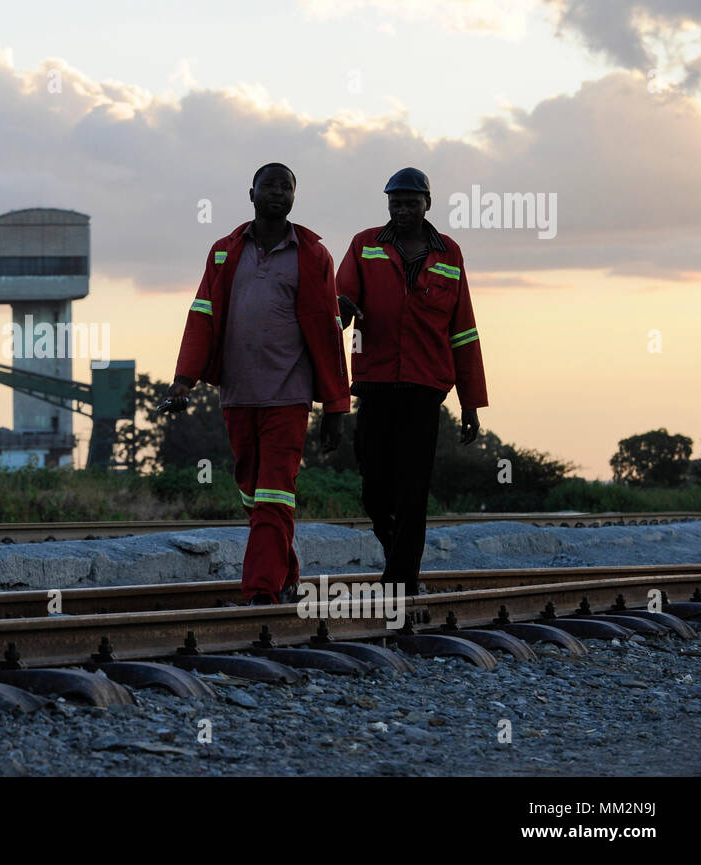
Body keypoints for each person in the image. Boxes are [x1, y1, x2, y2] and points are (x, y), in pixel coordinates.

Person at [167, 163, 350, 604]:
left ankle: (259, 593)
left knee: (273, 494)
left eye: (285, 187)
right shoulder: (224, 252)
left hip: (288, 396)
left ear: (294, 196)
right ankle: (285, 575)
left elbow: (328, 334)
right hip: (236, 396)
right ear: (251, 193)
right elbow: (202, 317)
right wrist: (182, 381)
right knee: (253, 495)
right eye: (269, 186)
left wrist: (335, 408)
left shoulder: (313, 255)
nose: (277, 193)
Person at [335, 167, 488, 599]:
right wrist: (340, 310)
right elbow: (342, 298)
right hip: (375, 385)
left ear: (427, 204)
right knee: (374, 488)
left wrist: (470, 403)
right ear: (387, 204)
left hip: (425, 390)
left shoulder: (450, 254)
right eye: (395, 202)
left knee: (413, 490)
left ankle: (401, 580)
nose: (402, 209)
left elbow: (463, 331)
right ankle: (397, 555)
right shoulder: (366, 246)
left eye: (410, 202)